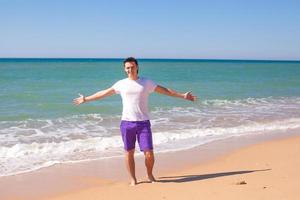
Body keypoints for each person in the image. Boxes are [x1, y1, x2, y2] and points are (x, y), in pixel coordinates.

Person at [73, 57, 197, 186]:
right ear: (124, 69)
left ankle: (150, 174)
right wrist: (86, 99)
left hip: (143, 123)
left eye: (132, 67)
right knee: (129, 152)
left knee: (149, 153)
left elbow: (165, 90)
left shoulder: (146, 82)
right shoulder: (121, 84)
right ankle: (133, 179)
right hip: (127, 123)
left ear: (137, 67)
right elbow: (104, 92)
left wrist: (183, 95)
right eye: (127, 67)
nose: (130, 70)